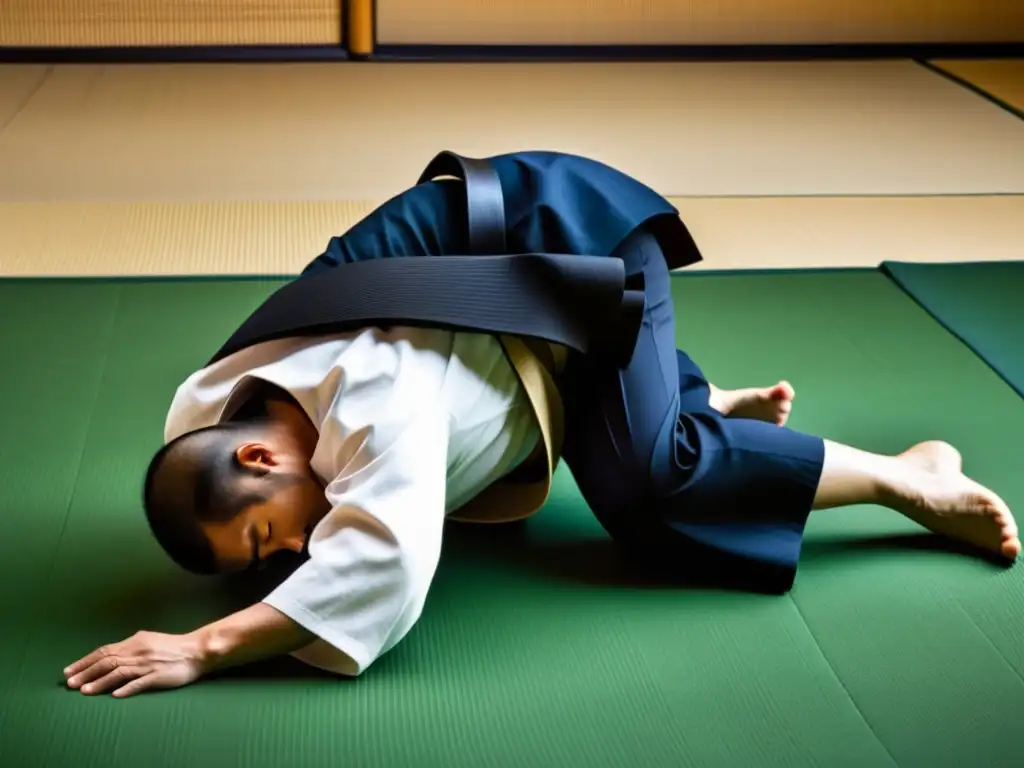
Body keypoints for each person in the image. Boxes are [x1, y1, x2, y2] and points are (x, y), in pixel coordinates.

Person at [63, 151, 1019, 699]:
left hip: (578, 252)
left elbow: (388, 564)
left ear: (260, 453)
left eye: (272, 529)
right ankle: (696, 397)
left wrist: (205, 647)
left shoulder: (372, 400)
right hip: (513, 312)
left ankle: (908, 472)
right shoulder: (204, 411)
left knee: (652, 487)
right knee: (583, 440)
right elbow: (313, 524)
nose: (296, 543)